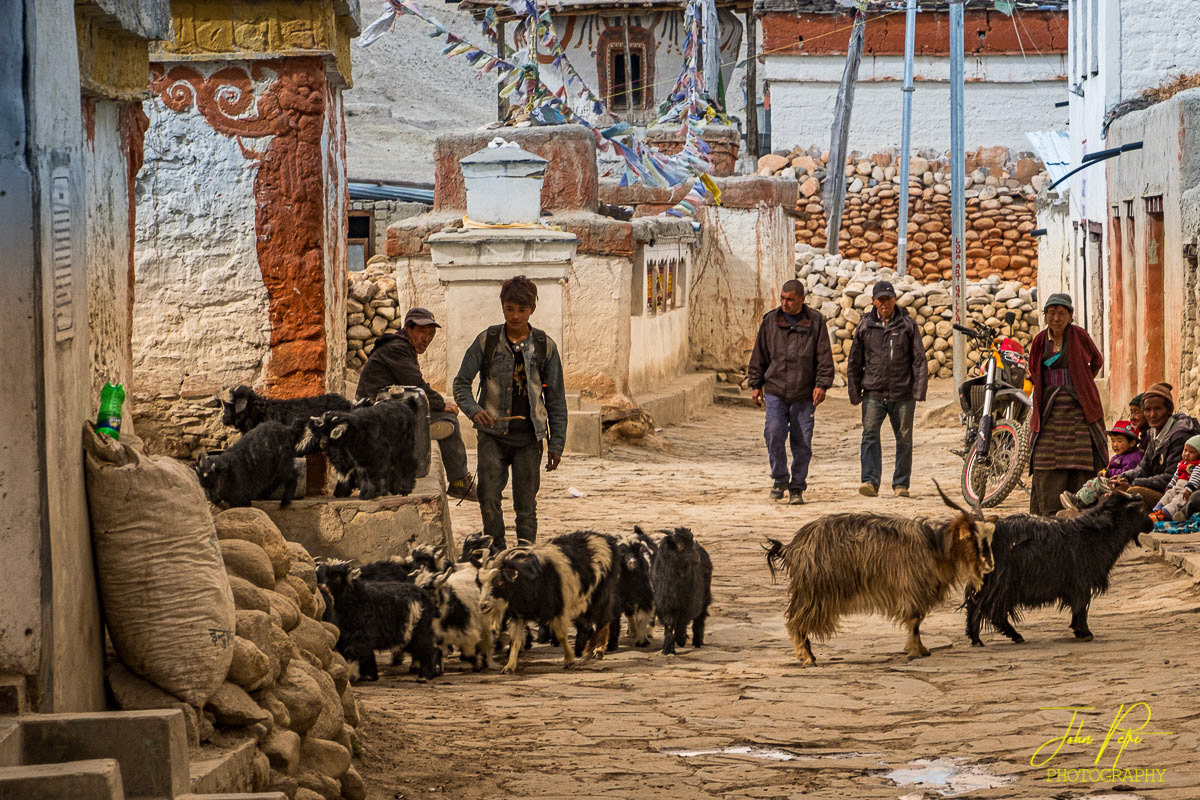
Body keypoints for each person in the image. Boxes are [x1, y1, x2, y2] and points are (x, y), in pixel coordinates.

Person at [453, 276, 568, 549]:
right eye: (509, 309)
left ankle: (525, 553)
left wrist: (556, 444)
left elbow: (556, 400)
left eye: (521, 309)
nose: (515, 316)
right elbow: (461, 384)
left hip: (529, 439)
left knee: (526, 503)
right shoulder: (487, 341)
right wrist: (474, 411)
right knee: (488, 496)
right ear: (502, 307)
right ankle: (495, 551)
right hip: (492, 436)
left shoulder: (544, 346)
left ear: (532, 310)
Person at [356, 307, 476, 501]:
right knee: (449, 422)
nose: (427, 338)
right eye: (422, 332)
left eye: (431, 334)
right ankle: (459, 482)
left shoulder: (400, 347)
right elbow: (416, 384)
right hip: (374, 415)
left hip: (384, 412)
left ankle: (457, 480)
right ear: (408, 329)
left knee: (444, 420)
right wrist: (440, 403)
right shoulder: (397, 348)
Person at [747, 279, 834, 505]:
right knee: (773, 434)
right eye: (783, 298)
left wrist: (821, 385)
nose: (785, 303)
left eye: (790, 300)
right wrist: (756, 384)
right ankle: (779, 479)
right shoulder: (770, 322)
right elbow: (759, 356)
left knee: (802, 441)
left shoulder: (815, 322)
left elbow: (824, 357)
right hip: (776, 390)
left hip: (804, 394)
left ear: (801, 300)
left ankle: (797, 487)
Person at [1027, 293, 1108, 516]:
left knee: (1081, 459)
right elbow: (1034, 370)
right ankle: (1049, 513)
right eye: (1051, 313)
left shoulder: (1080, 336)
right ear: (1045, 316)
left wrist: (1082, 380)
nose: (1056, 318)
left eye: (1061, 313)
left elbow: (1097, 360)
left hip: (1078, 408)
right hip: (1049, 408)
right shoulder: (1040, 341)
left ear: (1070, 316)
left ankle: (1083, 509)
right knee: (1045, 458)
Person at [847, 280, 928, 498]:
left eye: (888, 299)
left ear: (894, 300)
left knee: (904, 438)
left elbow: (919, 359)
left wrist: (919, 391)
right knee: (870, 434)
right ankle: (870, 481)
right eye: (880, 300)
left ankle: (901, 484)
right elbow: (854, 360)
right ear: (873, 301)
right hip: (873, 392)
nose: (885, 304)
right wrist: (854, 392)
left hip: (903, 393)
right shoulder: (865, 326)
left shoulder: (907, 325)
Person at [1109, 382, 1200, 511]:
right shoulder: (1153, 432)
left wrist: (1133, 483)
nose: (1152, 414)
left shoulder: (1181, 436)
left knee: (1133, 492)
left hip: (1176, 494)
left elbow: (1170, 477)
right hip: (1161, 489)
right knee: (1114, 486)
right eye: (1147, 410)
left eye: (1158, 409)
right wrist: (1125, 476)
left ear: (1169, 410)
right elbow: (1143, 468)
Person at [1059, 420, 1143, 511]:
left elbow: (1126, 473)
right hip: (1112, 481)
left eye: (1119, 441)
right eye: (1113, 441)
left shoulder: (1133, 458)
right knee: (1091, 482)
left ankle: (1079, 502)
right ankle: (1076, 498)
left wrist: (1108, 473)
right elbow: (1108, 469)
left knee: (1098, 483)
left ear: (1132, 443)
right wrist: (1104, 472)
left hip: (1121, 484)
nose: (1115, 445)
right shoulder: (1118, 456)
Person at [1148, 437, 1200, 522]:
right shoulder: (1181, 464)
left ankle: (1165, 514)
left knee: (1179, 500)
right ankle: (1158, 509)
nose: (1186, 454)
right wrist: (1170, 486)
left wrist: (1189, 489)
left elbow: (1196, 477)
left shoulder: (1197, 465)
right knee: (1168, 494)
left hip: (1186, 489)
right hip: (1177, 486)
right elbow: (1176, 476)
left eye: (1191, 452)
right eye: (1185, 450)